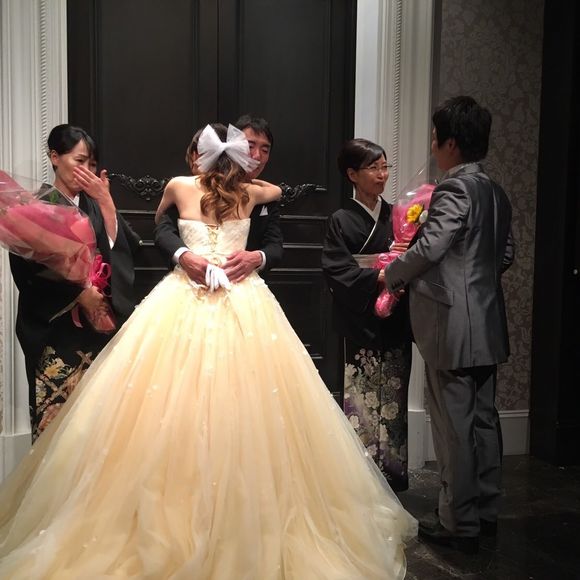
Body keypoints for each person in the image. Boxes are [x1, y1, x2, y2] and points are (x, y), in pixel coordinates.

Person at [0, 123, 415, 578]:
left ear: (199, 154)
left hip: (212, 294)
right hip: (221, 296)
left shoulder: (183, 186)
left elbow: (181, 221)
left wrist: (254, 255)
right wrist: (185, 253)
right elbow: (175, 227)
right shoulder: (252, 192)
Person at [384, 96, 514, 554]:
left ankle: (458, 522)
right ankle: (485, 511)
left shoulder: (454, 189)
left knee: (453, 424)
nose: (433, 147)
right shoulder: (496, 192)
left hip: (452, 324)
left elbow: (430, 248)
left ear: (452, 144)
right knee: (483, 420)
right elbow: (505, 254)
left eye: (436, 139)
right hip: (487, 318)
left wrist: (392, 274)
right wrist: (473, 282)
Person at [9, 124, 142, 440]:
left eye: (92, 164)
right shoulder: (34, 205)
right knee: (56, 423)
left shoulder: (96, 203)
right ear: (55, 157)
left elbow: (128, 247)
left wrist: (107, 203)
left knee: (96, 423)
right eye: (79, 161)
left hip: (97, 323)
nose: (87, 171)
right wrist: (79, 292)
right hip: (55, 326)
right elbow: (26, 270)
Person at [321, 139, 412, 492]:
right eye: (373, 168)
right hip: (359, 317)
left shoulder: (399, 216)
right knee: (361, 396)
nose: (382, 174)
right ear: (352, 174)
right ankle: (361, 478)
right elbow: (336, 269)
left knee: (394, 395)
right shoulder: (340, 219)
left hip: (396, 311)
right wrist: (379, 274)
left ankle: (393, 473)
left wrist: (402, 262)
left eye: (385, 167)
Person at [154, 115, 283, 284]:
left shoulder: (261, 196)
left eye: (265, 150)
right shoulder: (185, 189)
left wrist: (257, 257)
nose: (257, 156)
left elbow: (275, 247)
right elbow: (164, 231)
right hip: (189, 282)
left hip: (241, 285)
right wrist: (184, 256)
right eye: (249, 146)